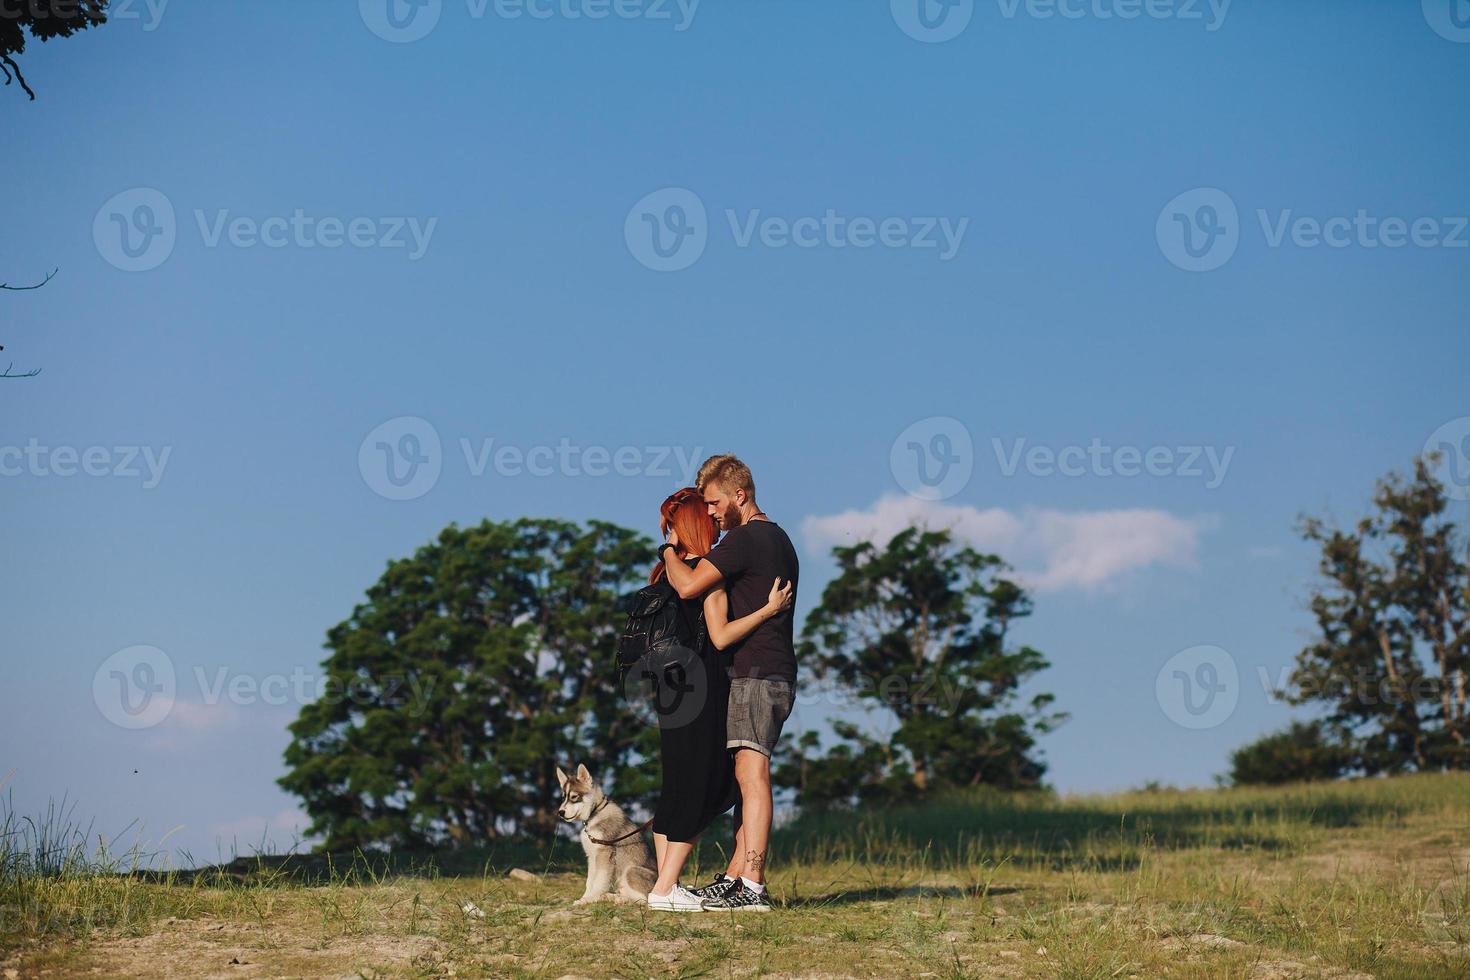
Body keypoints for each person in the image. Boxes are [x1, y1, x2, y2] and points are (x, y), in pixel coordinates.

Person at [660, 455, 799, 912]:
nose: (712, 513)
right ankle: (736, 877)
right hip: (768, 672)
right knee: (744, 777)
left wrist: (666, 550)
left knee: (751, 773)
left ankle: (753, 884)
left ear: (740, 495)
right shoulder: (777, 538)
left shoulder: (745, 540)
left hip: (758, 673)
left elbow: (688, 586)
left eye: (716, 502)